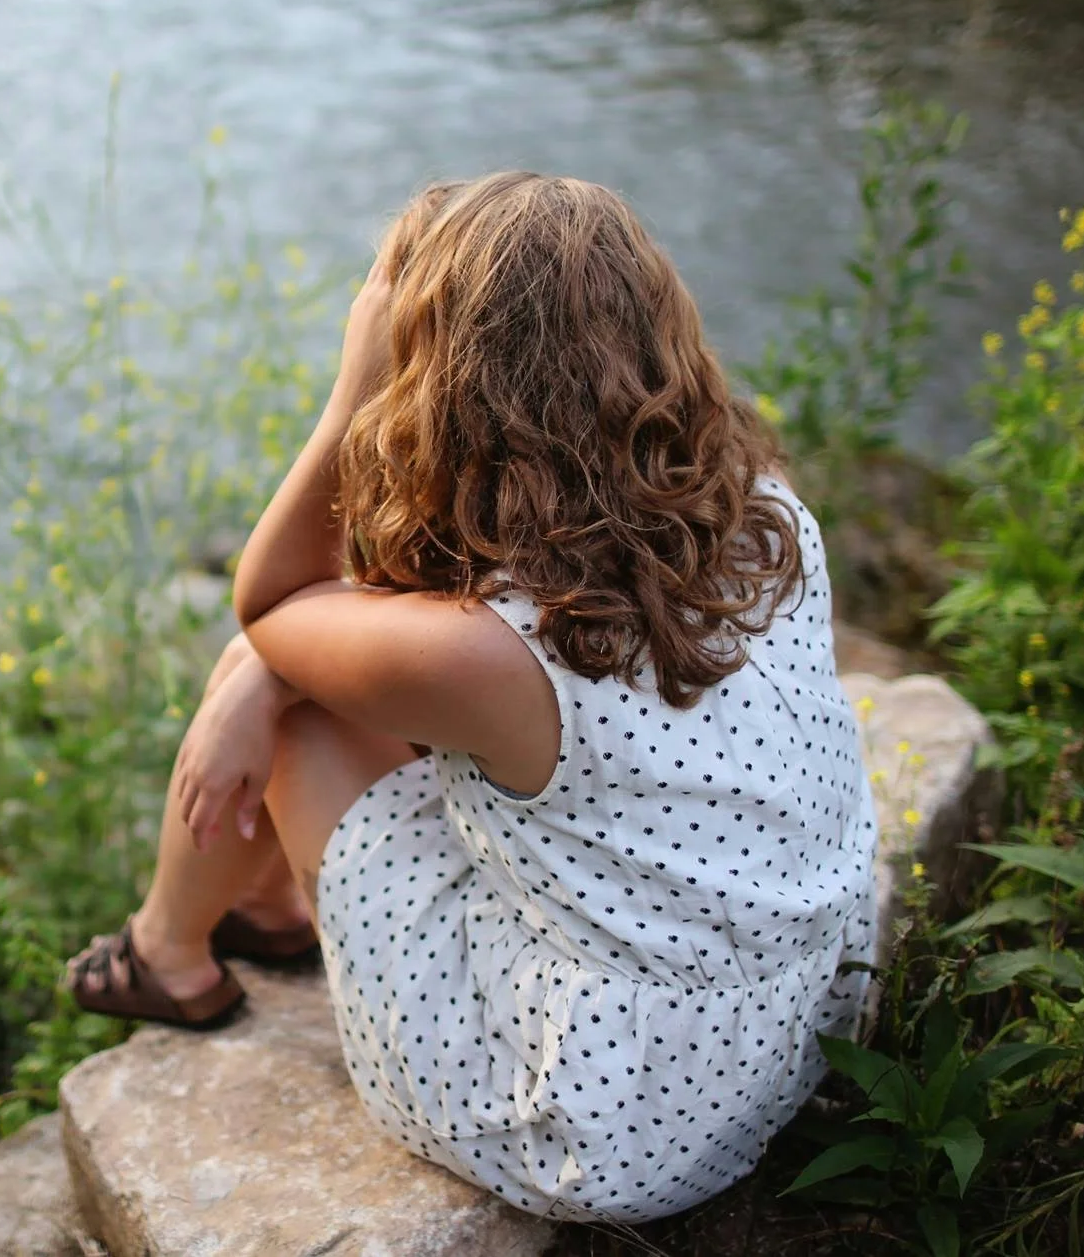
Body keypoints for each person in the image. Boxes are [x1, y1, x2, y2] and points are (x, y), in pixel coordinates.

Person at [65, 172, 876, 1224]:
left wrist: (351, 389)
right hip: (789, 1024)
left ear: (441, 374)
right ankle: (262, 911)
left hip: (607, 1124)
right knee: (291, 667)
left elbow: (270, 602)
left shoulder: (492, 658)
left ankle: (169, 955)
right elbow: (383, 625)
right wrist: (275, 658)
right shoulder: (760, 513)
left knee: (291, 702)